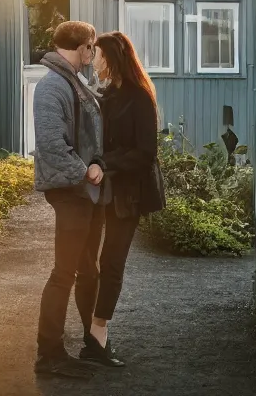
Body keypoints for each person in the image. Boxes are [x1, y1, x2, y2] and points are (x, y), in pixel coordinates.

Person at [81, 31, 166, 368]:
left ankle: (98, 333)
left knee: (112, 261)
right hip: (100, 191)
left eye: (97, 54)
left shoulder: (140, 97)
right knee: (89, 265)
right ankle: (92, 333)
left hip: (127, 195)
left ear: (111, 58)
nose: (93, 59)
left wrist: (105, 164)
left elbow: (146, 153)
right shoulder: (104, 94)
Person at [32, 20, 106, 379]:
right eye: (91, 46)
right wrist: (87, 171)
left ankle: (93, 344)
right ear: (82, 48)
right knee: (64, 273)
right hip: (71, 191)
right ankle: (49, 354)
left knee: (88, 270)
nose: (93, 53)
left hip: (85, 193)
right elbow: (50, 144)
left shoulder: (74, 81)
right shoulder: (51, 87)